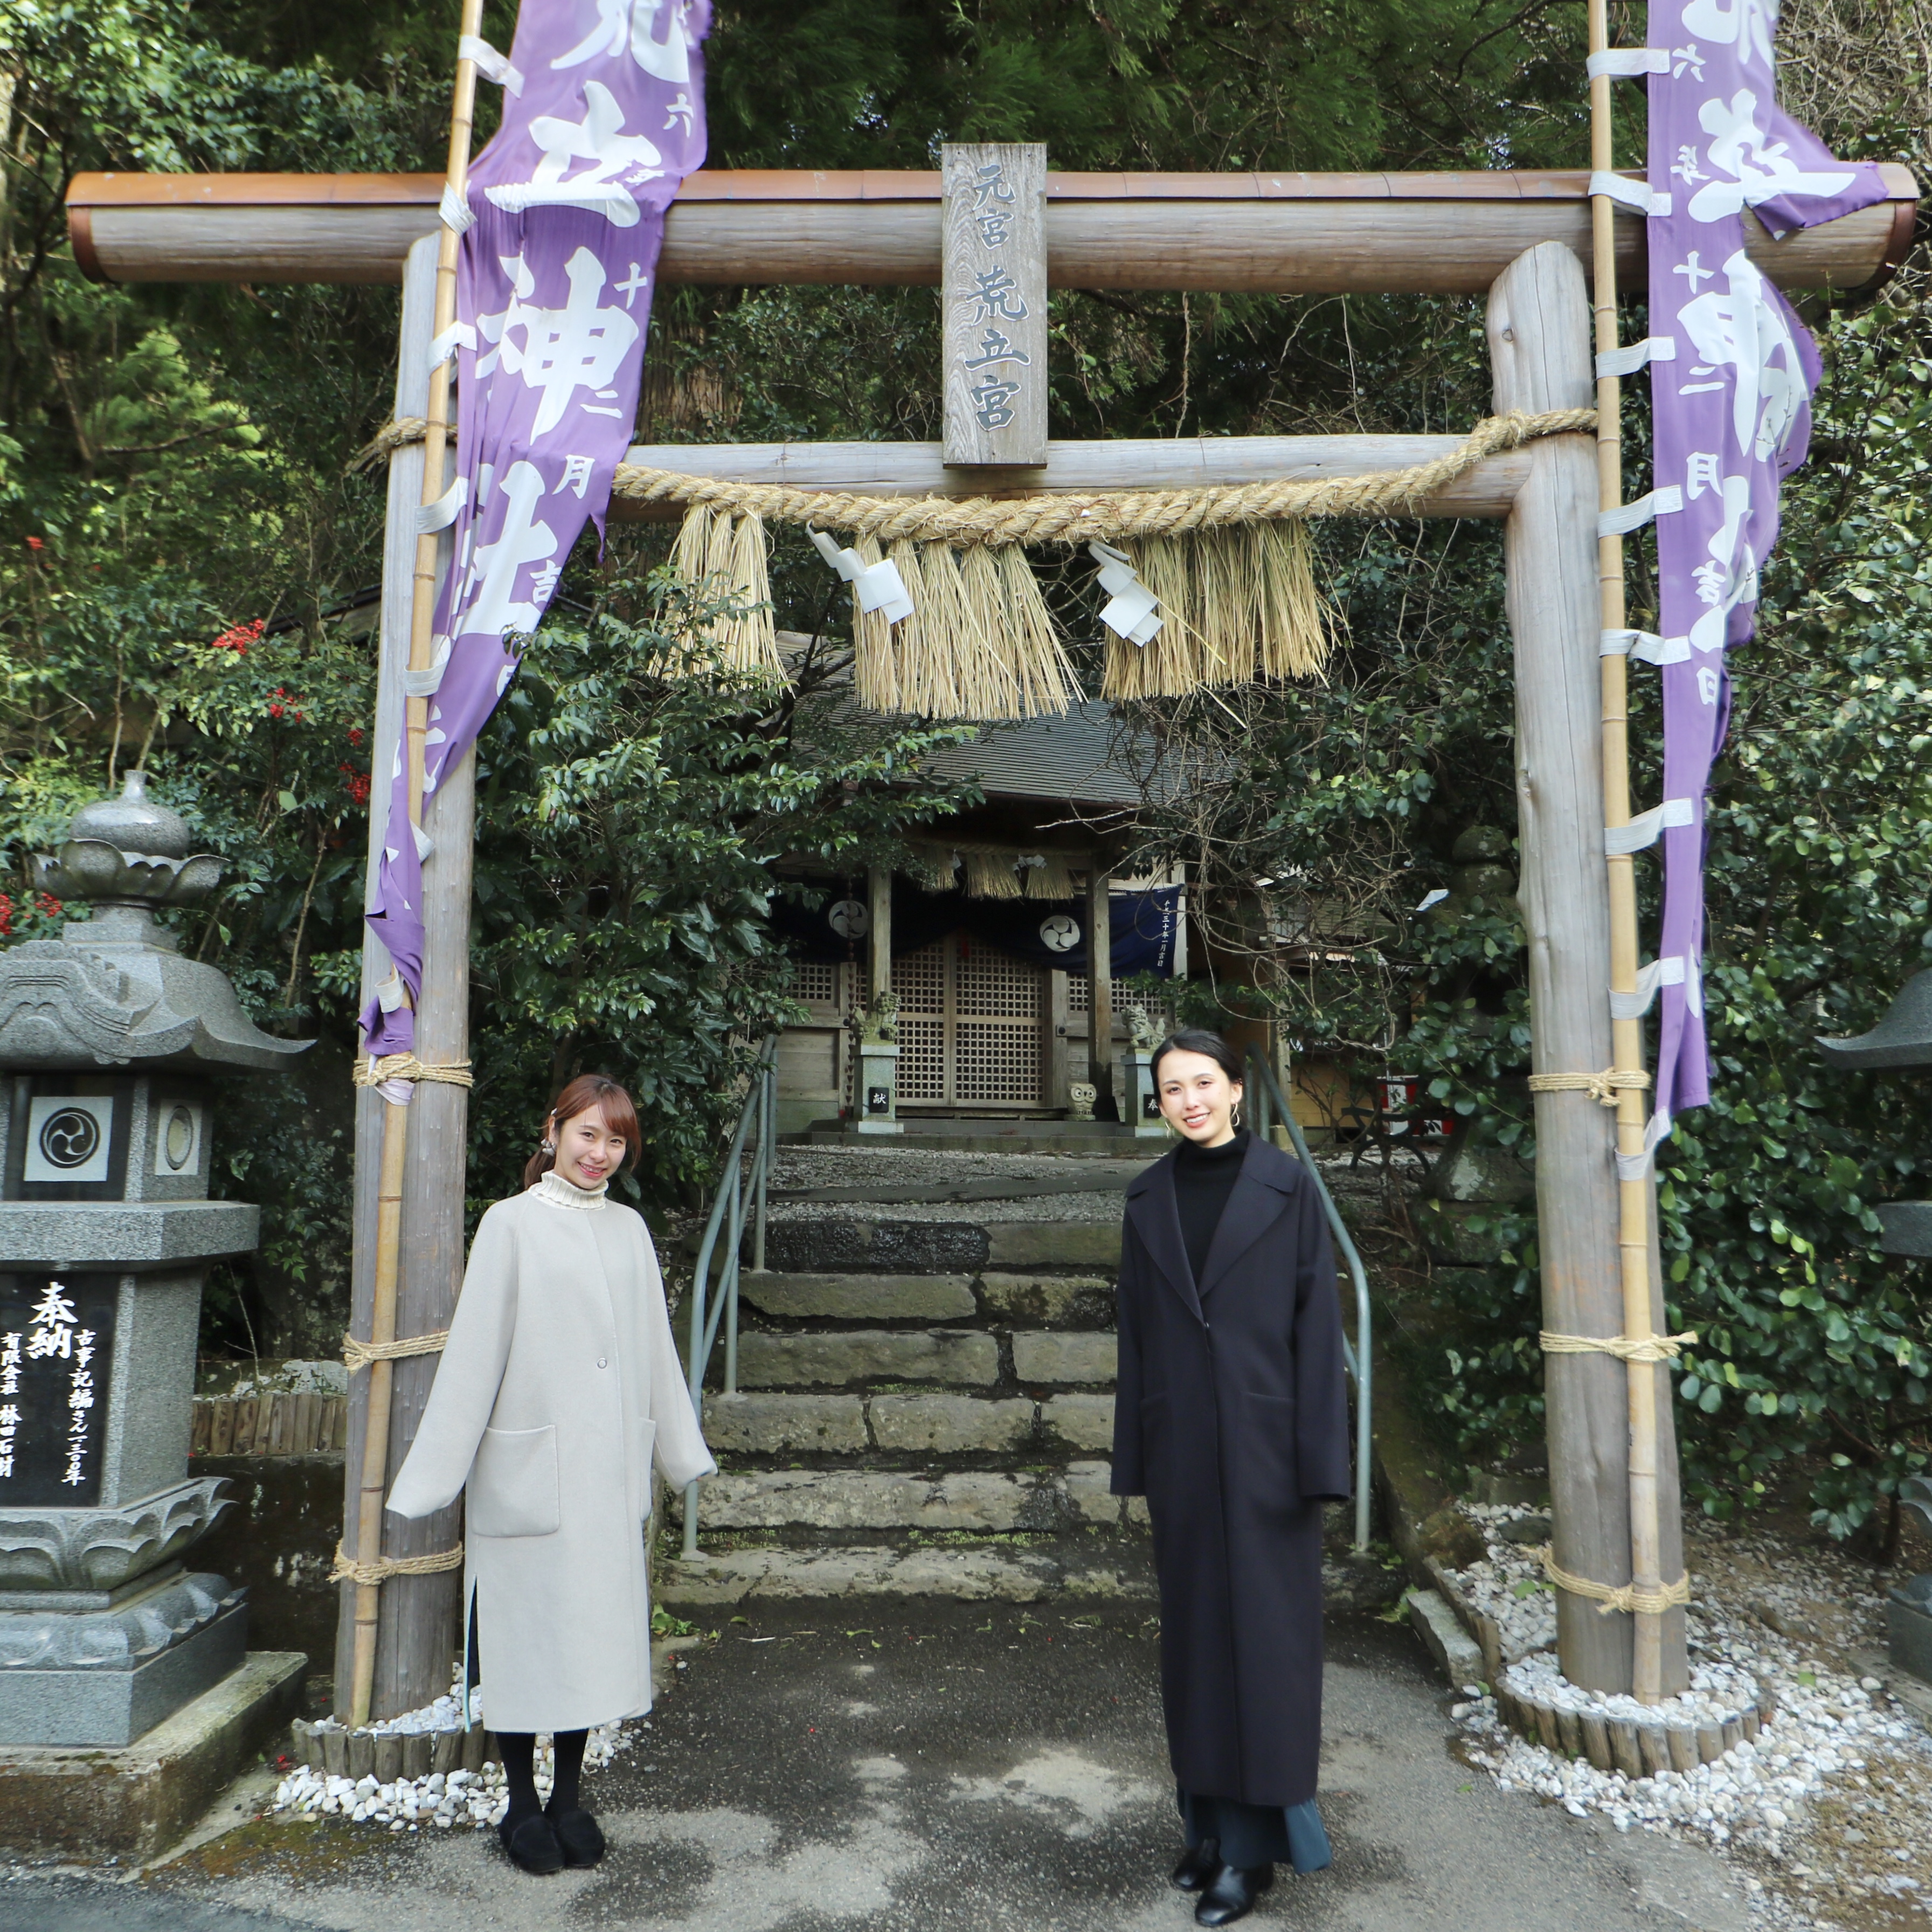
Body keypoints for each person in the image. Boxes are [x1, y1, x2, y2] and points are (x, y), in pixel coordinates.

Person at [386, 1074, 715, 1875]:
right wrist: (431, 1475)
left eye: (616, 1141)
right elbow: (473, 1355)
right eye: (589, 1135)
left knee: (588, 1641)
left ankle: (568, 1799)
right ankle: (519, 1806)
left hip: (604, 1471)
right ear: (554, 1130)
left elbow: (654, 1351)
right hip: (527, 1467)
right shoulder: (510, 1223)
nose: (601, 1153)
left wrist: (677, 1450)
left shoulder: (630, 1229)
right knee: (528, 1639)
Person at [1111, 1029, 1352, 1927]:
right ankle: (1207, 1826)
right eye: (1172, 1087)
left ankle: (1256, 1854)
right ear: (1160, 1100)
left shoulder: (1288, 1189)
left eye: (1202, 1082)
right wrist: (1136, 1457)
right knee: (1195, 1647)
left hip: (1269, 1456)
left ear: (1236, 1090)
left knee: (1265, 1651)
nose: (1189, 1099)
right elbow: (1136, 1338)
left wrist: (1320, 1464)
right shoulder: (1146, 1197)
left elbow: (1317, 1331)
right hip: (1181, 1453)